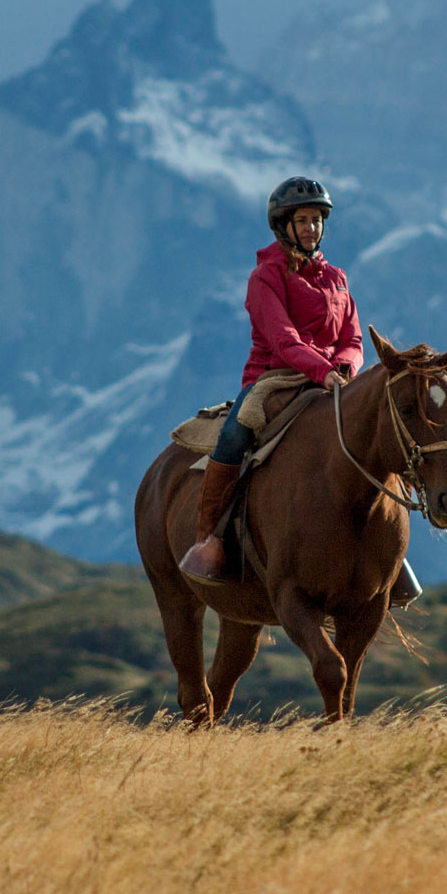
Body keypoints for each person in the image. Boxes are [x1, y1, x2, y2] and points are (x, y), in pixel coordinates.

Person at [178, 177, 416, 606]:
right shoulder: (264, 277)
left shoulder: (338, 279)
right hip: (275, 377)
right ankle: (209, 541)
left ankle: (389, 555)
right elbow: (284, 339)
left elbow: (354, 338)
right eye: (302, 220)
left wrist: (344, 367)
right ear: (283, 226)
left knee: (375, 435)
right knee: (235, 434)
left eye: (316, 220)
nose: (310, 228)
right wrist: (322, 370)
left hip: (332, 377)